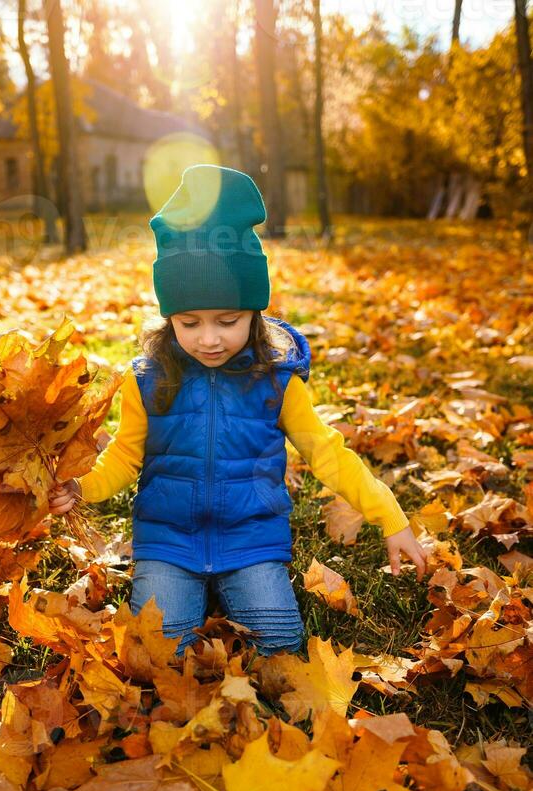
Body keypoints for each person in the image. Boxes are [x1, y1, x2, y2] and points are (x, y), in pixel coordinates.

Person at [49, 164, 426, 657]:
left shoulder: (277, 380)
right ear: (169, 319)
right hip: (168, 540)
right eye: (189, 322)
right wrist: (81, 487)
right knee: (160, 653)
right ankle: (188, 594)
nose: (209, 338)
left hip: (251, 540)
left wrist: (390, 515)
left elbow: (326, 452)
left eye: (228, 321)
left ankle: (230, 591)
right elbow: (124, 456)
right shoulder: (148, 380)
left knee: (281, 647)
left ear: (255, 312)